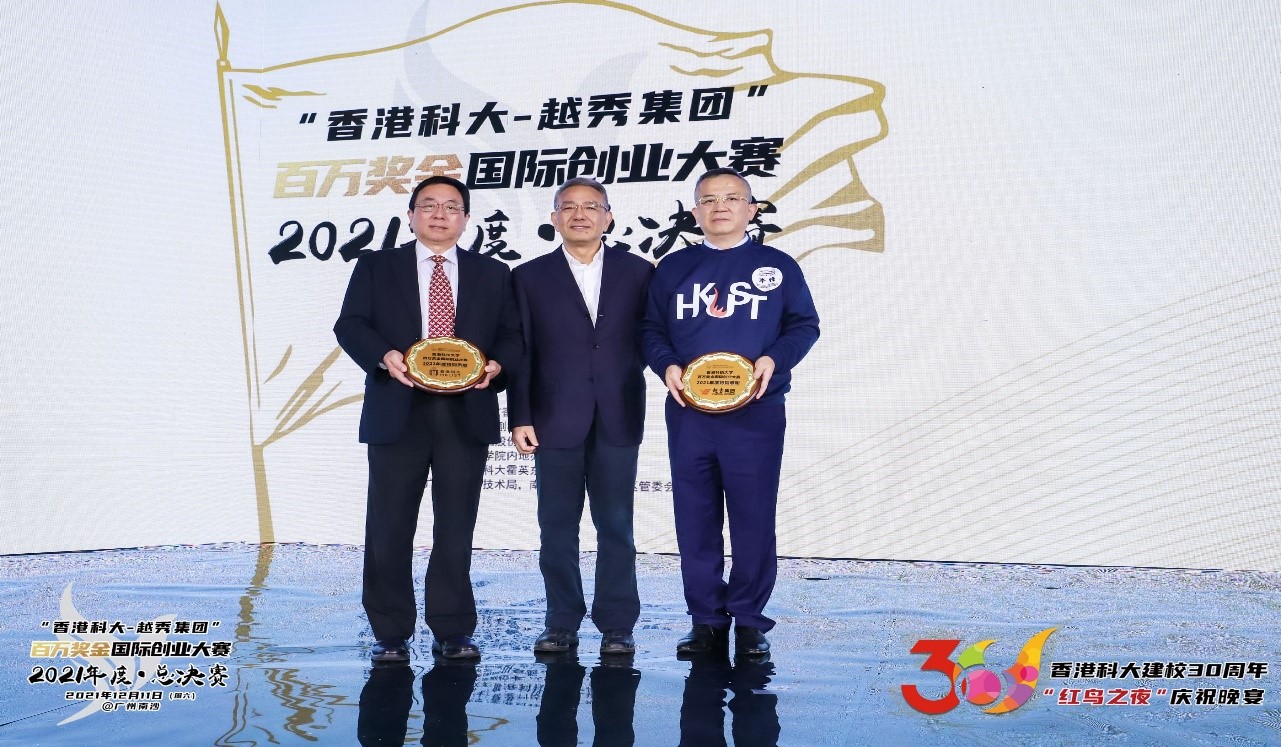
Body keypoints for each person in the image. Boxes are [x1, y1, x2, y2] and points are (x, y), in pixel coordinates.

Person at [334, 175, 522, 662]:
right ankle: (390, 632)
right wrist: (384, 356)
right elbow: (350, 324)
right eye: (430, 205)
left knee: (456, 527)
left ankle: (454, 629)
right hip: (398, 409)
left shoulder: (492, 272)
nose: (440, 215)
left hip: (466, 412)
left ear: (466, 218)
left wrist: (496, 365)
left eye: (452, 207)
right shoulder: (377, 266)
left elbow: (511, 334)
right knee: (389, 526)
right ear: (411, 215)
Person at [640, 168, 820, 657]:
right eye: (709, 200)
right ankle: (705, 620)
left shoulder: (776, 266)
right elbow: (650, 329)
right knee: (694, 516)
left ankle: (749, 619)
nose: (720, 207)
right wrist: (666, 365)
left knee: (753, 517)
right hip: (689, 413)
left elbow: (804, 325)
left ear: (751, 209)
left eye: (732, 198)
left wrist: (774, 359)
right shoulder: (673, 268)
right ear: (695, 212)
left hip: (756, 413)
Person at [509, 177, 653, 656]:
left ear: (608, 217)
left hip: (618, 412)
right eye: (568, 207)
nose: (579, 215)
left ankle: (617, 624)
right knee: (556, 526)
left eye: (591, 206)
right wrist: (520, 415)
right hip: (552, 417)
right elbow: (521, 351)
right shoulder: (529, 277)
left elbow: (651, 338)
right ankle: (560, 621)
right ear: (554, 219)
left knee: (617, 526)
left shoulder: (640, 272)